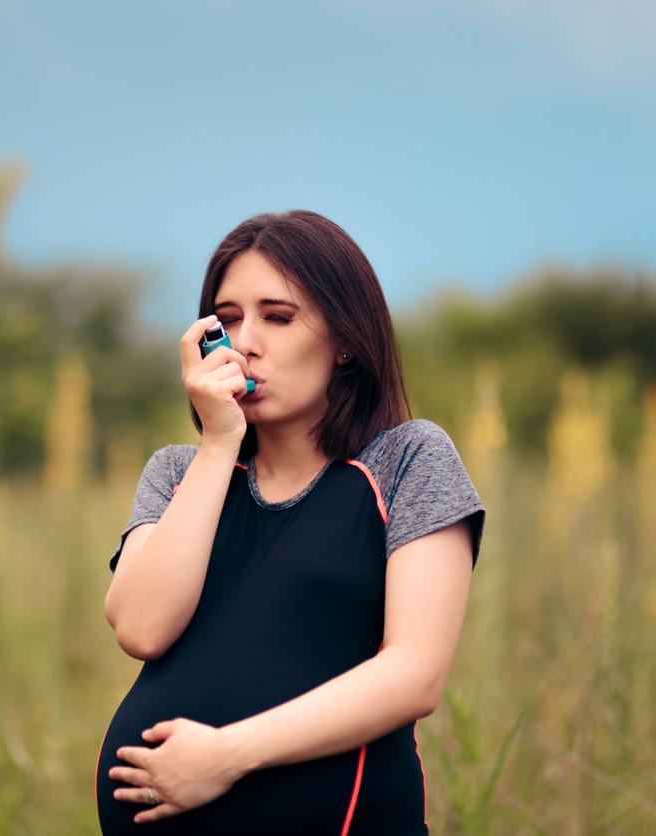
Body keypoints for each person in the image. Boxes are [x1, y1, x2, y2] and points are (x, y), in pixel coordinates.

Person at [96, 210, 486, 835]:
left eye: (277, 317)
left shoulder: (407, 460)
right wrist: (221, 446)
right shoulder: (178, 474)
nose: (244, 342)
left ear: (345, 340)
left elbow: (415, 675)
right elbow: (142, 628)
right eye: (226, 321)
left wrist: (226, 757)